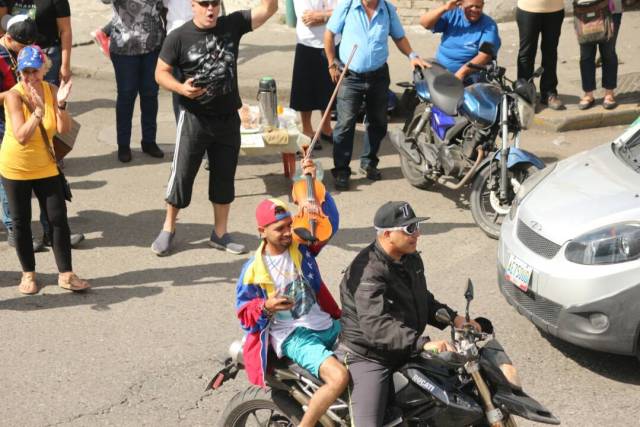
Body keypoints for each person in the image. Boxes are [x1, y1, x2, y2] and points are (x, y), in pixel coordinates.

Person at [337, 201, 506, 425]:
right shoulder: (367, 272)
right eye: (409, 229)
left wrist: (455, 319)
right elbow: (376, 326)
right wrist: (422, 344)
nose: (417, 233)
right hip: (370, 356)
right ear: (387, 234)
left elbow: (421, 298)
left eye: (416, 226)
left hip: (404, 346)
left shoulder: (410, 258)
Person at [150, 0, 278, 256]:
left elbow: (268, 9)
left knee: (224, 177)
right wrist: (180, 88)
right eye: (205, 4)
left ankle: (220, 234)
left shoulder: (232, 25)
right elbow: (160, 72)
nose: (211, 9)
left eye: (215, 4)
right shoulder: (178, 36)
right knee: (182, 175)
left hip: (228, 119)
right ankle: (168, 228)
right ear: (193, 5)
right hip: (194, 118)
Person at [235, 161, 348, 427]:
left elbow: (329, 222)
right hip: (294, 336)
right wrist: (266, 306)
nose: (288, 232)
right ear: (262, 232)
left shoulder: (302, 247)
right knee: (339, 377)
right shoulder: (252, 271)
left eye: (288, 225)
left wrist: (315, 184)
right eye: (280, 229)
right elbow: (244, 314)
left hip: (325, 322)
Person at [0, 45, 90, 294]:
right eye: (24, 71)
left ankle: (66, 274)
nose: (29, 77)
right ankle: (28, 274)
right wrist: (38, 112)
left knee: (58, 220)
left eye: (34, 71)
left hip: (46, 167)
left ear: (44, 69)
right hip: (16, 168)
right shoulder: (13, 96)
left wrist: (60, 104)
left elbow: (62, 130)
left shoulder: (51, 90)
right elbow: (20, 136)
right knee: (21, 223)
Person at [324, 0, 428, 191]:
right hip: (350, 76)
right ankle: (341, 170)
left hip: (378, 75)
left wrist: (413, 56)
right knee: (345, 124)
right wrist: (331, 63)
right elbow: (329, 33)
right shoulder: (348, 6)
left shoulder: (387, 9)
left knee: (378, 121)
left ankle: (369, 162)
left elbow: (399, 37)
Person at [109, 0, 165, 163]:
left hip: (153, 45)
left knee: (150, 93)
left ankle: (149, 141)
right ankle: (124, 144)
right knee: (126, 95)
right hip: (124, 46)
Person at [290, 0, 338, 149]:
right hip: (308, 43)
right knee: (306, 91)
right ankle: (307, 130)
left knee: (330, 88)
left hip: (334, 42)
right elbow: (307, 19)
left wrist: (322, 16)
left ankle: (326, 128)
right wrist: (331, 15)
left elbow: (345, 11)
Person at [419, 0, 500, 84]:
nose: (474, 9)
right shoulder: (452, 14)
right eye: (470, 6)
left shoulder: (489, 26)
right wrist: (445, 7)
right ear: (461, 5)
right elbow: (424, 23)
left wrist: (462, 72)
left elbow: (485, 56)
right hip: (441, 68)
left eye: (478, 7)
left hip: (471, 74)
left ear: (483, 5)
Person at [0, 0, 72, 87]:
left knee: (50, 93)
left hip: (47, 53)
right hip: (17, 53)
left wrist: (65, 66)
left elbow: (65, 30)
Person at [516, 0, 565, 110]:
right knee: (526, 54)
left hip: (555, 9)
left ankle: (549, 93)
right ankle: (525, 95)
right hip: (528, 8)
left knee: (550, 52)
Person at [577, 0, 623, 110]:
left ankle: (609, 93)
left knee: (608, 52)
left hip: (610, 9)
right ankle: (588, 94)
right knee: (586, 54)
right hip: (584, 8)